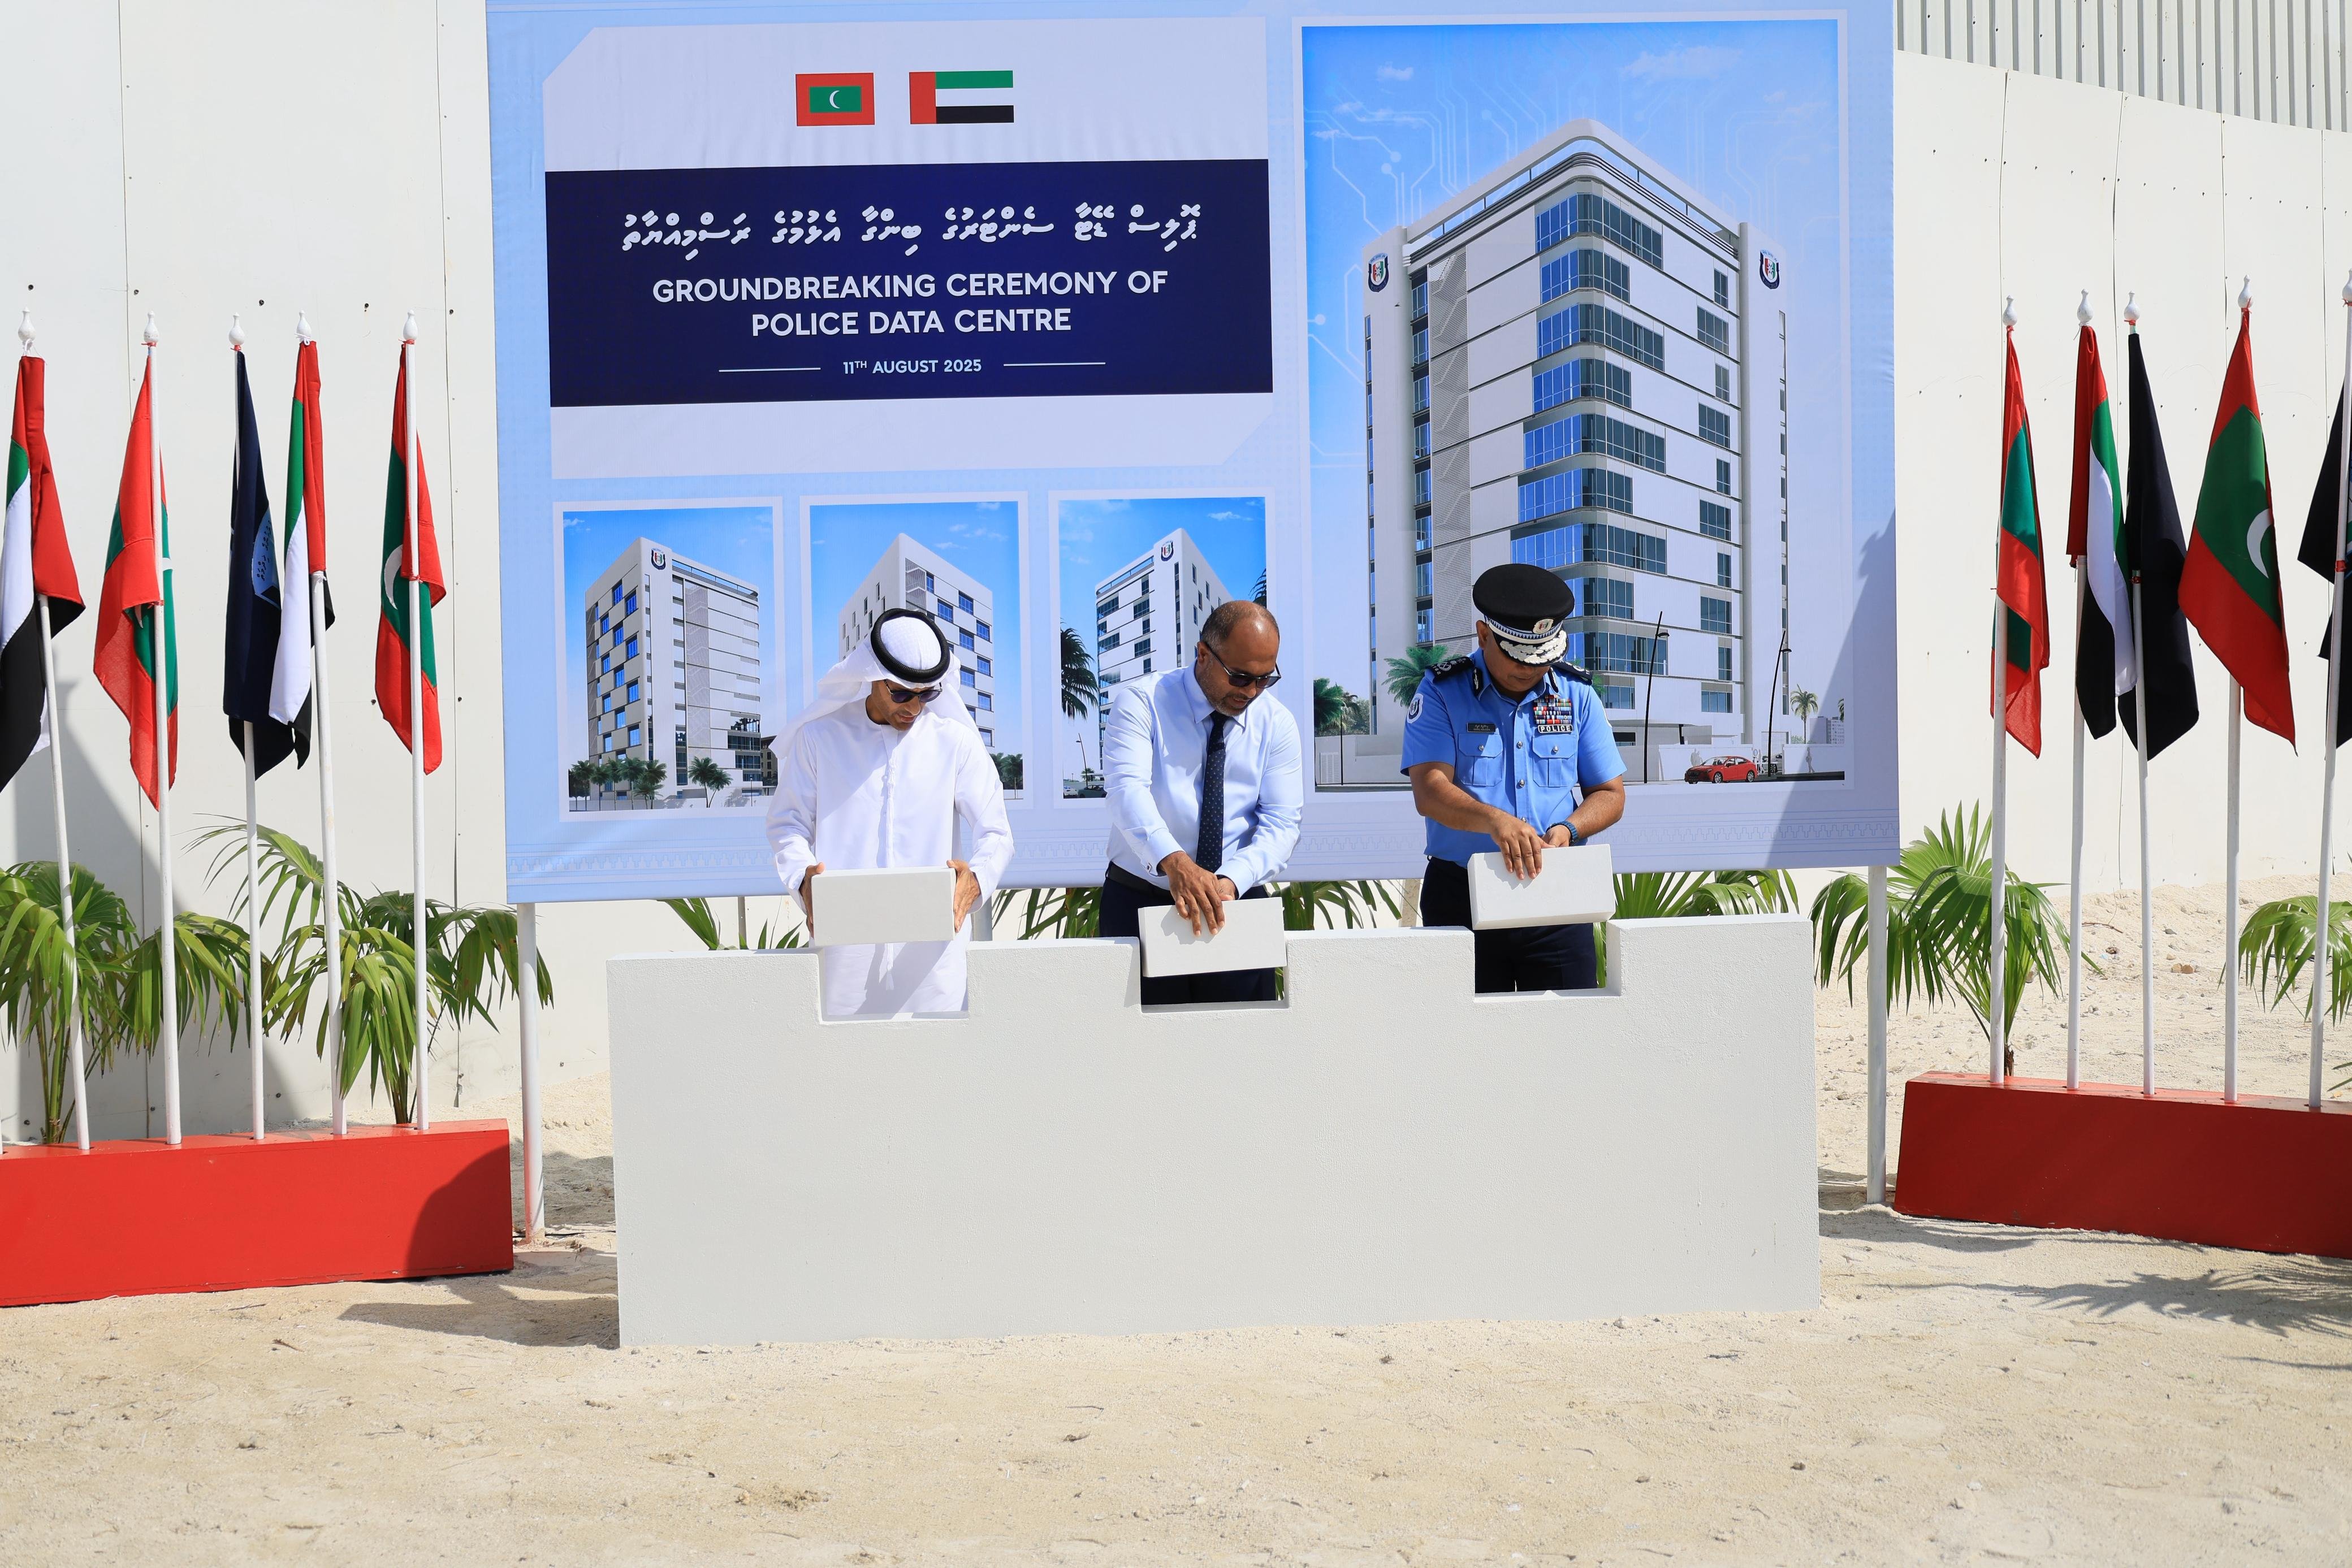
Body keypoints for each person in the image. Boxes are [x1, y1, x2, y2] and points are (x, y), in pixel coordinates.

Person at [767, 608, 1014, 1019]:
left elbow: (997, 831)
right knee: (843, 1059)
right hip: (845, 955)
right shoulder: (819, 738)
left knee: (938, 1058)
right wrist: (802, 879)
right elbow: (787, 823)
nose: (913, 707)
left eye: (926, 694)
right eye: (901, 693)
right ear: (871, 676)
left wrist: (977, 879)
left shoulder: (955, 742)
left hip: (934, 962)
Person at [1403, 562, 1627, 993]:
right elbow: (1430, 791)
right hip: (1463, 896)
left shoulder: (1576, 693)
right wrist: (1495, 822)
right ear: (1484, 635)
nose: (1529, 669)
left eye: (1542, 658)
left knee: (1568, 1027)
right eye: (1517, 656)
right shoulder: (1441, 692)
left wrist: (1569, 828)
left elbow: (1609, 793)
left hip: (1557, 897)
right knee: (1468, 1032)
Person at [1099, 599, 1302, 1004]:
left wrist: (1229, 882)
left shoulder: (1276, 723)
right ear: (1204, 654)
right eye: (1241, 677)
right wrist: (1176, 863)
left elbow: (1282, 824)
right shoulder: (1142, 702)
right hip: (1141, 900)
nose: (1251, 692)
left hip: (1234, 903)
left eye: (1265, 680)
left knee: (1243, 1037)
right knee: (1141, 1042)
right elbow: (1126, 790)